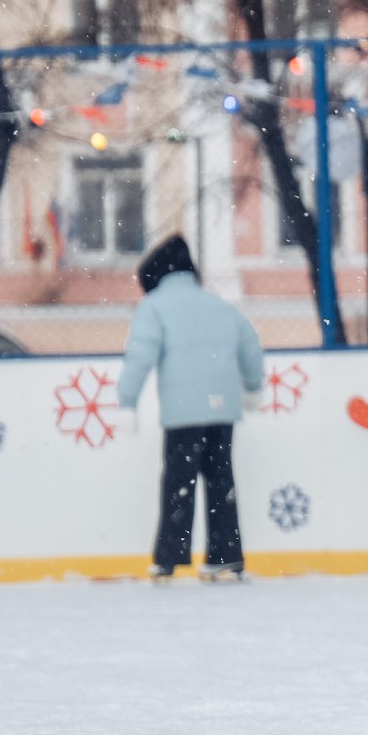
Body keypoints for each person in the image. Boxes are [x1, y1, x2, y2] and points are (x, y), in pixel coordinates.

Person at [117, 235, 267, 584]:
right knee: (220, 481)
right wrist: (253, 386)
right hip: (222, 407)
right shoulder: (218, 305)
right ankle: (226, 557)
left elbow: (141, 355)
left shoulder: (154, 307)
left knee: (178, 483)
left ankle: (169, 559)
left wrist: (127, 401)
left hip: (183, 410)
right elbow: (250, 344)